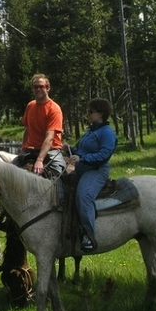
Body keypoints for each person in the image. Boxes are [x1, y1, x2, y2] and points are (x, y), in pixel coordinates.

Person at [66, 98, 117, 252]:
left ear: (100, 113)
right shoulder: (90, 131)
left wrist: (83, 158)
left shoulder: (107, 132)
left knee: (84, 195)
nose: (87, 114)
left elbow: (104, 154)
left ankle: (89, 234)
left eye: (90, 112)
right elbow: (81, 151)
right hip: (81, 169)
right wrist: (70, 150)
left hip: (95, 170)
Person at [12, 73, 67, 178]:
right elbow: (27, 129)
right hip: (31, 150)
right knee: (9, 173)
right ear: (32, 89)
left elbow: (50, 138)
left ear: (48, 88)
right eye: (35, 87)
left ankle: (62, 194)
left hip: (51, 150)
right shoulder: (30, 105)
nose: (38, 89)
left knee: (61, 176)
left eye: (41, 86)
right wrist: (23, 148)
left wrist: (40, 160)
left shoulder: (54, 109)